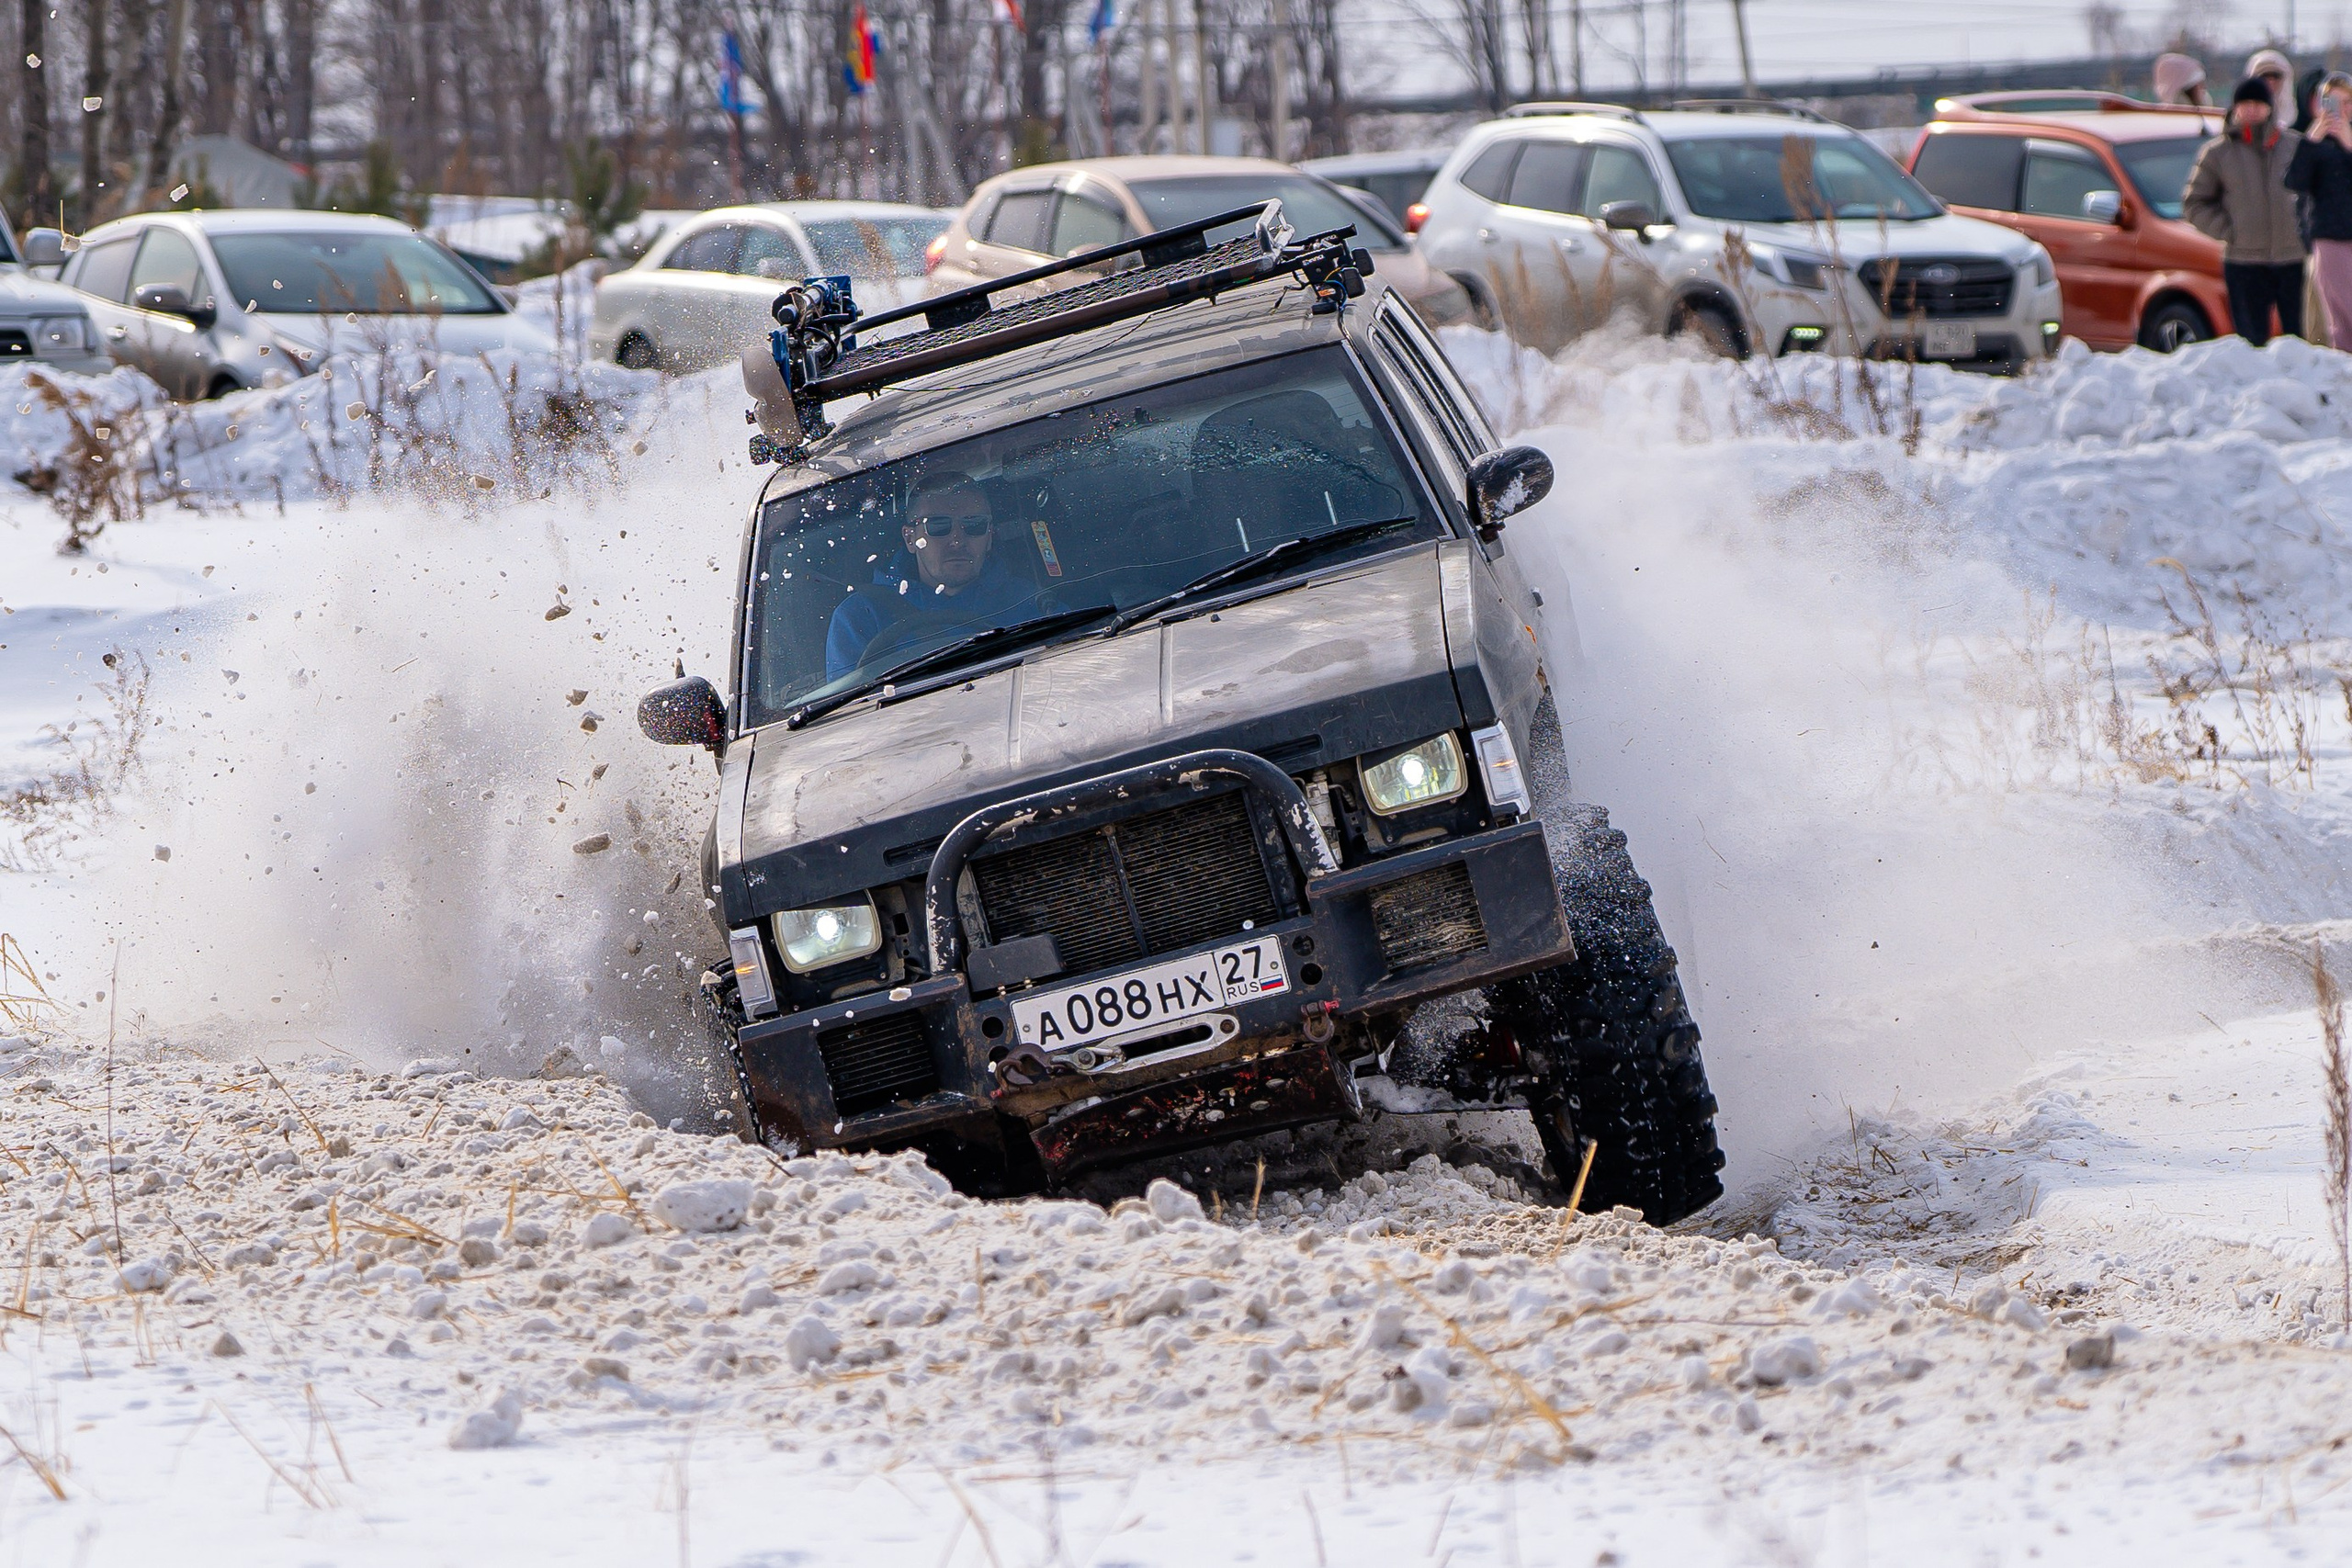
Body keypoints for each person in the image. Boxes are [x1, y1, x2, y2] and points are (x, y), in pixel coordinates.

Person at [824, 471, 1040, 681]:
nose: (957, 540)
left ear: (989, 536)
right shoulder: (860, 617)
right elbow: (853, 709)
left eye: (974, 525)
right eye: (938, 526)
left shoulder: (1028, 601)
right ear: (910, 538)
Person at [2185, 78, 2308, 345]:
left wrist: (2306, 231)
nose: (2252, 110)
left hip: (2293, 259)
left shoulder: (2295, 146)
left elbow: (2315, 194)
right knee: (2251, 344)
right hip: (2244, 263)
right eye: (2245, 104)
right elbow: (2195, 202)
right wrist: (2230, 232)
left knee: (2300, 342)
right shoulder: (2217, 153)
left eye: (2258, 104)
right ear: (2236, 108)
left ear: (2269, 108)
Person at [2289, 73, 2352, 349]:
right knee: (2341, 313)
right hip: (2329, 236)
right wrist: (2311, 141)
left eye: (2348, 102)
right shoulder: (2315, 144)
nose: (2342, 110)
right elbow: (2294, 183)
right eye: (2334, 102)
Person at [2247, 47, 2297, 117]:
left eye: (2276, 76)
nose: (2271, 81)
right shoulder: (2238, 117)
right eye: (2264, 76)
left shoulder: (2296, 114)